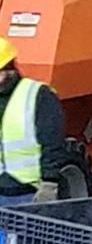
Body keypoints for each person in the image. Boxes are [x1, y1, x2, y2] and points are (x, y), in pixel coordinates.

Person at [0, 43, 69, 198]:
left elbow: (52, 142)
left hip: (27, 191)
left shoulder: (38, 95)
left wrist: (49, 184)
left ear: (10, 70)